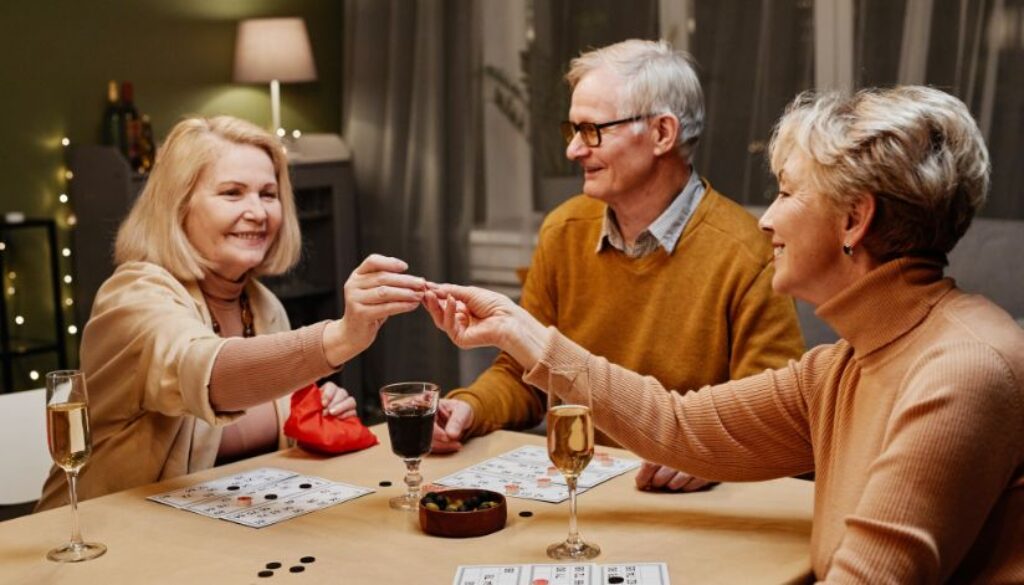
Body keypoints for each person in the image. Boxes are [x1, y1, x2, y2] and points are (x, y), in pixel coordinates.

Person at [426, 86, 1024, 582]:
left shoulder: (961, 370)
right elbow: (678, 426)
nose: (767, 218)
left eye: (787, 193)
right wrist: (524, 334)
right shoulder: (845, 363)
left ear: (854, 219)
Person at [432, 39, 804, 493]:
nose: (573, 151)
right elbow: (523, 374)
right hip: (582, 493)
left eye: (592, 131)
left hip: (690, 510)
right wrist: (469, 407)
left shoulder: (747, 252)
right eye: (572, 131)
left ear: (663, 134)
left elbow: (774, 418)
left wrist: (715, 455)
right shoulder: (563, 230)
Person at [37, 116, 425, 510]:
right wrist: (341, 337)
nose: (258, 212)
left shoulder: (262, 304)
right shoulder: (134, 296)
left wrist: (312, 411)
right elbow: (208, 374)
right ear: (179, 205)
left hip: (213, 526)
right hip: (102, 536)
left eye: (268, 194)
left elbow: (258, 433)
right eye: (232, 193)